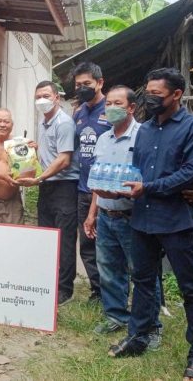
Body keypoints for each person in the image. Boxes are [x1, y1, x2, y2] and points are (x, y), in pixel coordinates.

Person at [108, 68, 193, 381]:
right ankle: (138, 336)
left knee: (190, 288)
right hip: (142, 219)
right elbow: (139, 170)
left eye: (157, 94)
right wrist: (120, 185)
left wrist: (148, 188)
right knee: (142, 280)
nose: (151, 98)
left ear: (176, 95)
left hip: (175, 221)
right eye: (149, 92)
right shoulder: (146, 130)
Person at [83, 85, 163, 345]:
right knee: (108, 269)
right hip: (106, 215)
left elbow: (150, 178)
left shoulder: (145, 136)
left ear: (131, 108)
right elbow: (98, 180)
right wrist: (92, 213)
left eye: (118, 103)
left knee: (142, 272)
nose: (111, 108)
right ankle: (116, 315)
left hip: (134, 217)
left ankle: (151, 326)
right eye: (108, 104)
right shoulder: (103, 139)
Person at [16, 81, 79, 306]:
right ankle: (48, 282)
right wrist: (34, 149)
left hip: (64, 187)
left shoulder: (63, 123)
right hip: (47, 186)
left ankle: (64, 289)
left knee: (64, 238)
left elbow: (64, 158)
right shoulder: (44, 122)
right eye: (38, 97)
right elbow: (50, 152)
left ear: (56, 97)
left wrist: (39, 178)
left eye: (45, 95)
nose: (41, 100)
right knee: (47, 235)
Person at [72, 62, 111, 302]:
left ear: (100, 82)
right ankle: (97, 291)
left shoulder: (113, 109)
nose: (82, 88)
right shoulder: (78, 112)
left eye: (87, 84)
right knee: (86, 245)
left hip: (107, 192)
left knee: (106, 246)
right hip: (83, 188)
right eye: (78, 85)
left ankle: (113, 293)